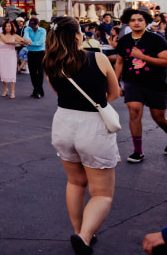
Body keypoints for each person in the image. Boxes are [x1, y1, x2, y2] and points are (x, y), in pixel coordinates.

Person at [43, 17, 120, 254]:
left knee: (75, 182)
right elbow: (114, 93)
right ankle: (85, 237)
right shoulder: (98, 58)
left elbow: (57, 92)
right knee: (102, 194)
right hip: (92, 126)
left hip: (64, 122)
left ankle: (79, 231)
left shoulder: (50, 62)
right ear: (78, 36)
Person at [114, 8, 167, 164]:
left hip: (156, 84)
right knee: (134, 111)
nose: (136, 22)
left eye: (140, 20)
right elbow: (119, 62)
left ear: (146, 22)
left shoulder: (156, 39)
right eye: (133, 20)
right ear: (128, 22)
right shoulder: (124, 41)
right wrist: (116, 83)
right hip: (132, 83)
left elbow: (165, 61)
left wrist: (142, 57)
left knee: (159, 118)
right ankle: (138, 151)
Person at [0, 20, 22, 99]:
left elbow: (22, 41)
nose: (7, 27)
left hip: (11, 55)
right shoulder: (1, 34)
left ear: (12, 27)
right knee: (3, 72)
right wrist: (16, 42)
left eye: (9, 26)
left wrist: (27, 41)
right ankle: (5, 90)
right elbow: (6, 41)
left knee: (11, 72)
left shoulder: (15, 35)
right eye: (6, 26)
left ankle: (12, 91)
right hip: (2, 55)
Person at [24, 17, 47, 99]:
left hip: (40, 53)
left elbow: (41, 42)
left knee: (40, 73)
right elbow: (26, 36)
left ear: (38, 24)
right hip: (31, 53)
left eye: (34, 25)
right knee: (32, 73)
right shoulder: (27, 29)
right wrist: (27, 40)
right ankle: (38, 90)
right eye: (31, 25)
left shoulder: (43, 30)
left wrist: (29, 43)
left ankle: (37, 91)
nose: (32, 27)